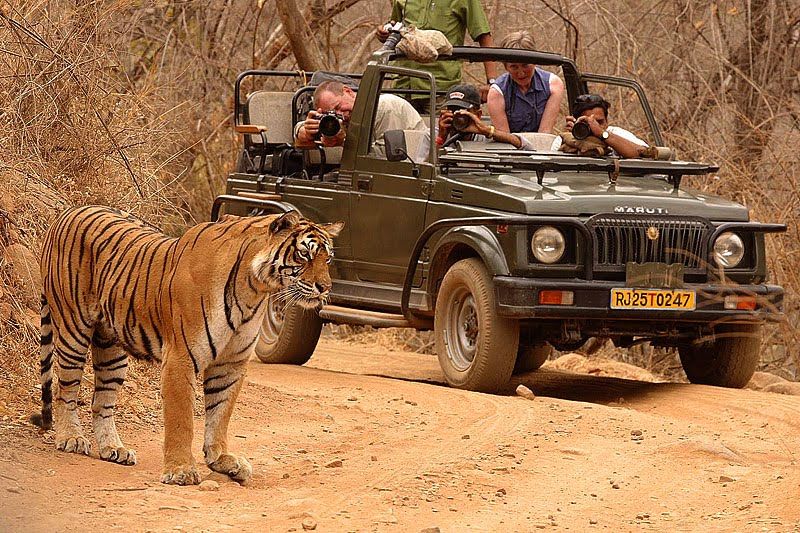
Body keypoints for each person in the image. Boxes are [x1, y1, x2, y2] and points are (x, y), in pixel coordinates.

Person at [376, 0, 499, 113]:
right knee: (396, 134)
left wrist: (491, 82)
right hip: (403, 84)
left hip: (439, 86)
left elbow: (483, 36)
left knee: (439, 132)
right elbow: (396, 25)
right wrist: (384, 32)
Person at [295, 80, 427, 153]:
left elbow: (388, 157)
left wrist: (344, 141)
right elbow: (302, 130)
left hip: (410, 173)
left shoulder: (385, 106)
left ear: (348, 92)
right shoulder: (344, 118)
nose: (340, 114)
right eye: (332, 113)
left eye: (338, 107)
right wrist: (305, 131)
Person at [487, 31, 564, 134]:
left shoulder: (553, 85)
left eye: (525, 65)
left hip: (541, 144)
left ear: (535, 62)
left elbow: (545, 132)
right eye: (514, 67)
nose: (521, 73)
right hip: (509, 146)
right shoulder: (496, 93)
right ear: (506, 67)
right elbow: (504, 137)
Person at [435, 83, 542, 150]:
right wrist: (441, 138)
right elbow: (422, 173)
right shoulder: (432, 135)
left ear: (478, 114)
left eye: (464, 111)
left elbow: (528, 149)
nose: (457, 115)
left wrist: (489, 132)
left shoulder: (486, 137)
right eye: (452, 110)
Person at [551, 94, 649, 158]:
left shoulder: (614, 134)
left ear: (607, 121)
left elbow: (644, 154)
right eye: (587, 122)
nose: (594, 126)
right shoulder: (563, 139)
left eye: (599, 122)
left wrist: (602, 134)